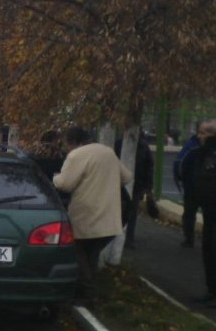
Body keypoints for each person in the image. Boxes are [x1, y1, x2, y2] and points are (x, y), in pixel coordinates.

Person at [53, 126, 132, 304]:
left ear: (71, 142)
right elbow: (126, 177)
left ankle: (88, 293)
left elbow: (65, 184)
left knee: (78, 252)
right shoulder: (107, 152)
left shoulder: (76, 155)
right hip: (110, 216)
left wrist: (55, 177)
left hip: (86, 215)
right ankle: (87, 293)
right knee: (91, 255)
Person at [183, 120, 216, 306]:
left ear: (213, 135)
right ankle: (212, 290)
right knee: (208, 250)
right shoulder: (203, 154)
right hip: (208, 211)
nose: (199, 136)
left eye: (203, 133)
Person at [114, 131, 155, 249]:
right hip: (126, 184)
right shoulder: (141, 146)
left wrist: (147, 187)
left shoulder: (140, 146)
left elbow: (149, 167)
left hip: (135, 184)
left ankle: (127, 238)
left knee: (130, 211)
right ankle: (124, 238)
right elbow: (149, 167)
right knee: (128, 211)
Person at [174, 123, 204, 248]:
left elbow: (179, 165)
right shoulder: (192, 147)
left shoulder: (191, 146)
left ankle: (189, 239)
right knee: (190, 213)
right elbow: (179, 165)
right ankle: (189, 238)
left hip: (194, 186)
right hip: (194, 186)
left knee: (190, 213)